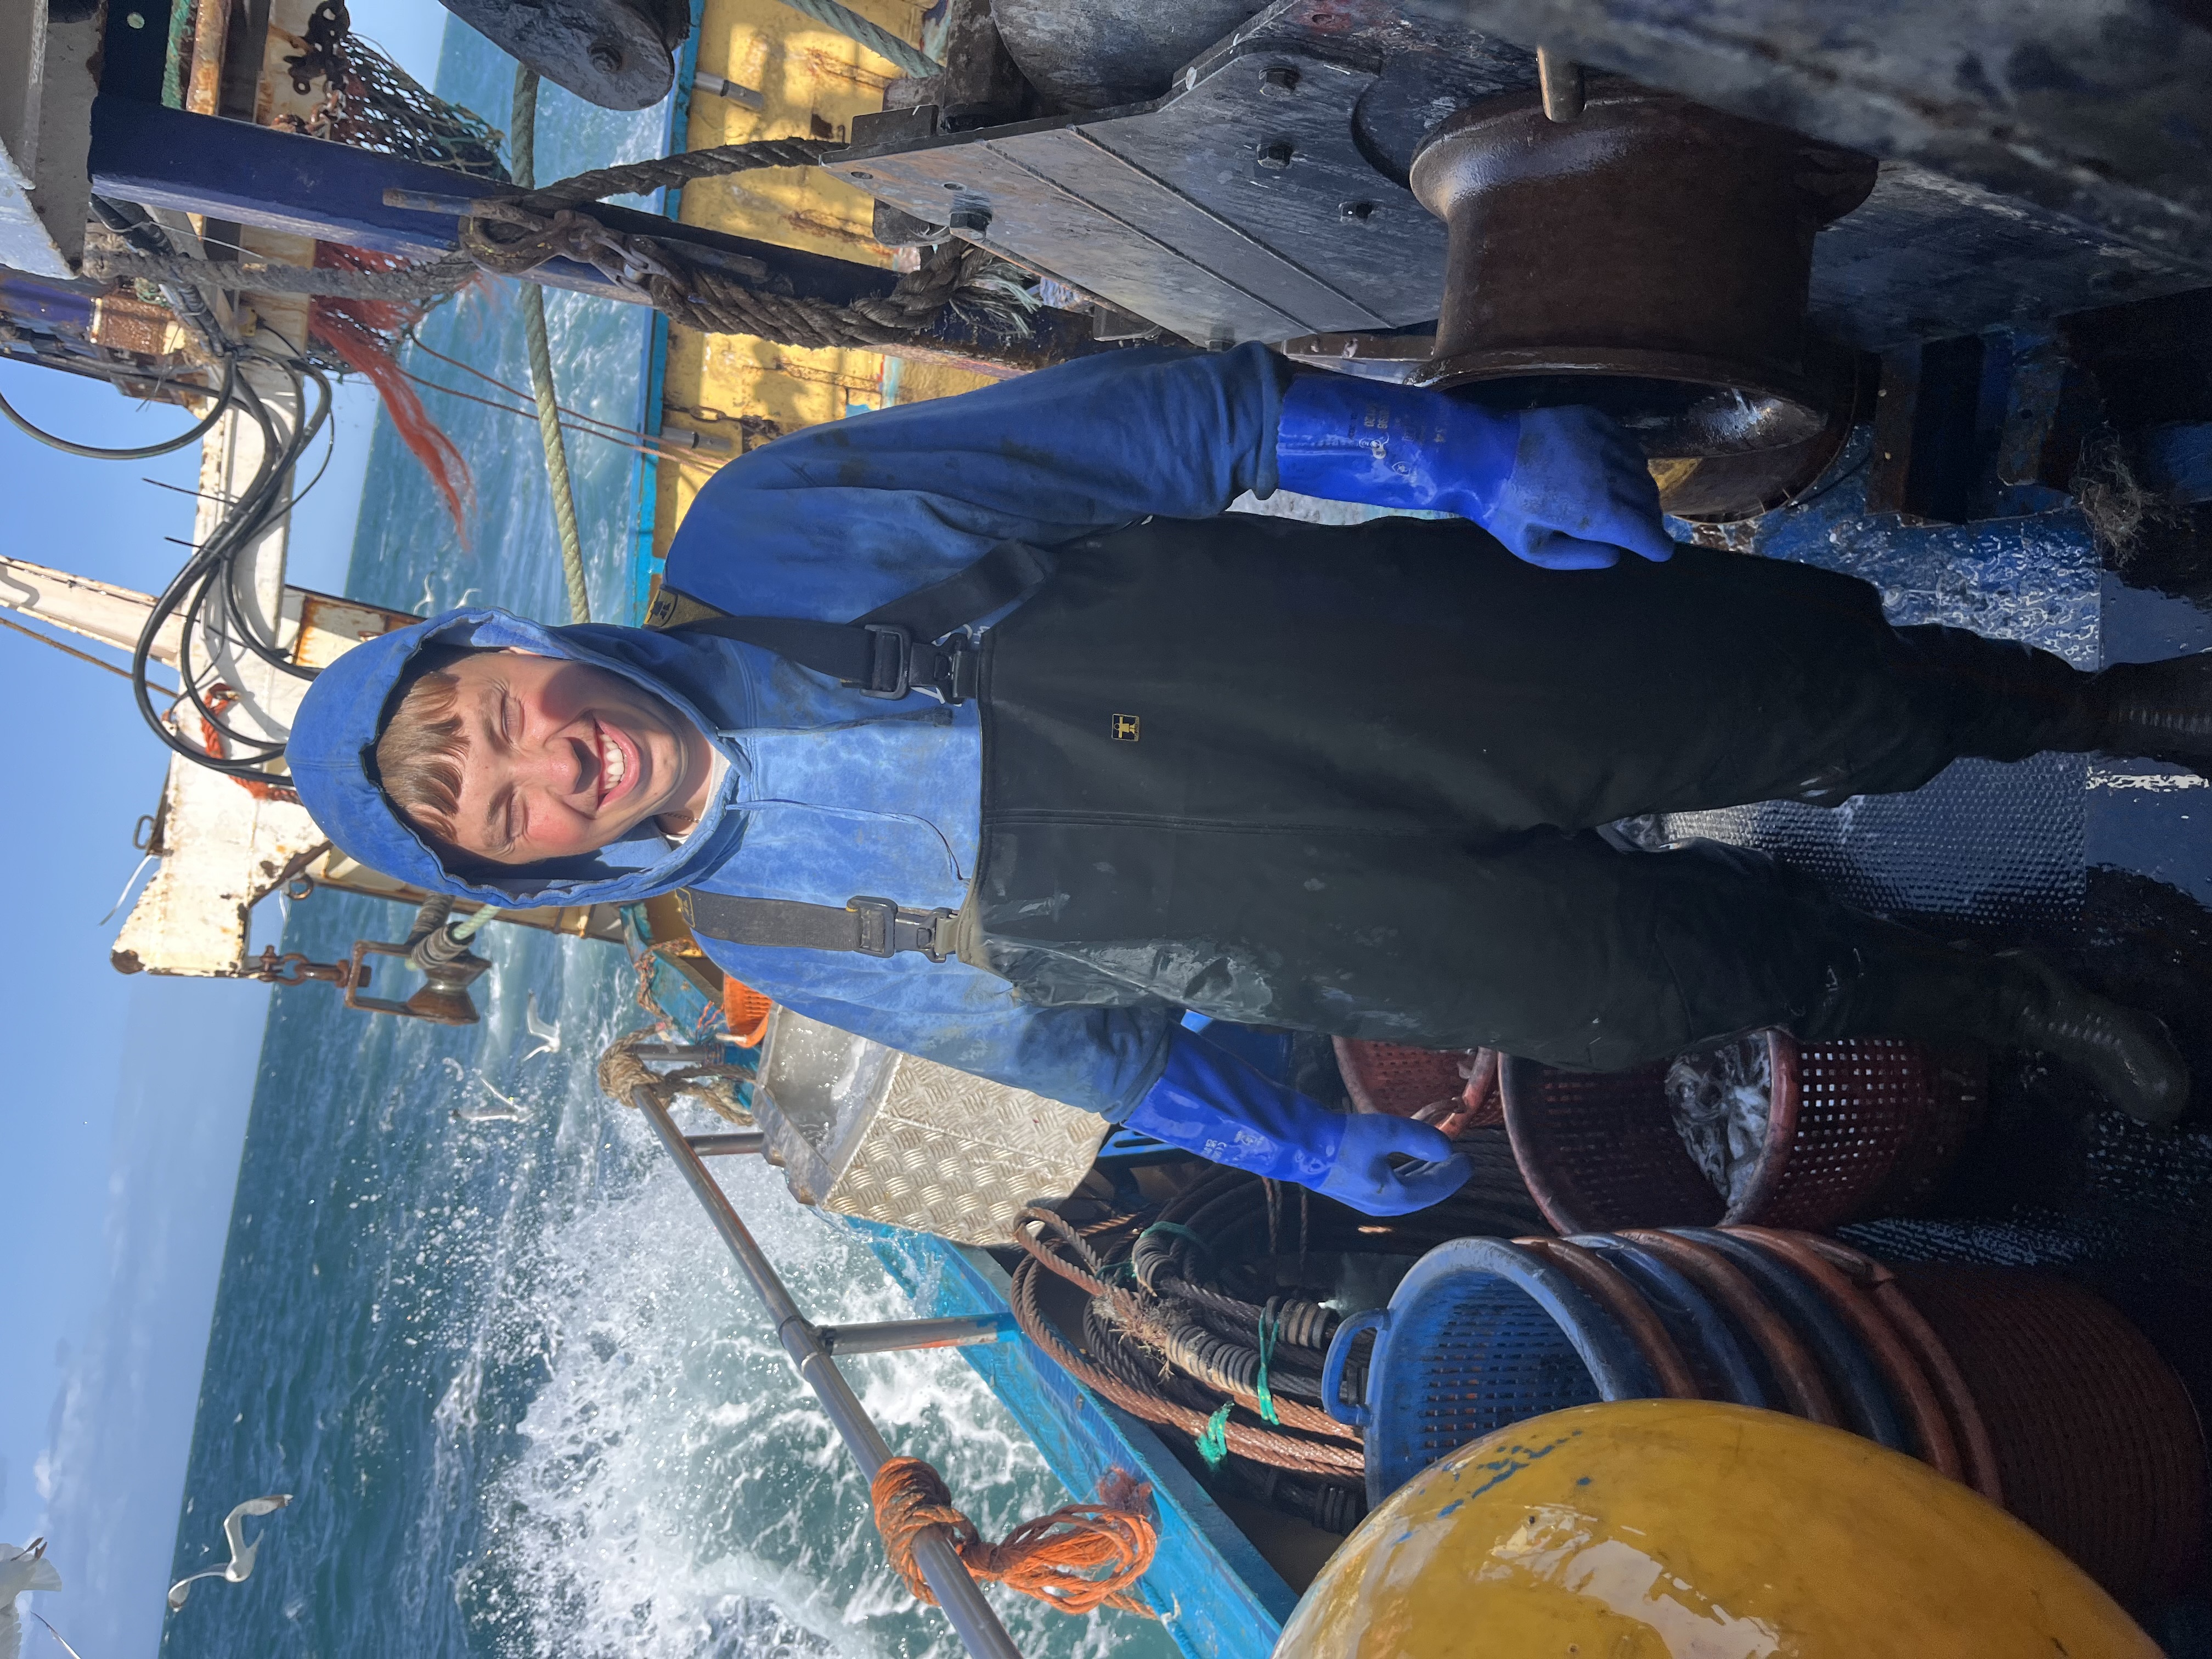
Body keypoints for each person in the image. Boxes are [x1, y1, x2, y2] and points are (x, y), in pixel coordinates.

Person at [290, 345, 2203, 1217]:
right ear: (534, 875)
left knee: (1797, 689)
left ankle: (2102, 720)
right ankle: (2027, 1005)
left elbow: (1170, 427)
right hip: (1351, 945)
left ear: (499, 645)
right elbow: (1089, 1061)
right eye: (491, 809)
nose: (542, 763)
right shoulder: (778, 937)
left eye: (485, 716)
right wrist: (1286, 1142)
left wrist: (1453, 460)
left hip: (1418, 675)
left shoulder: (774, 530)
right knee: (1697, 982)